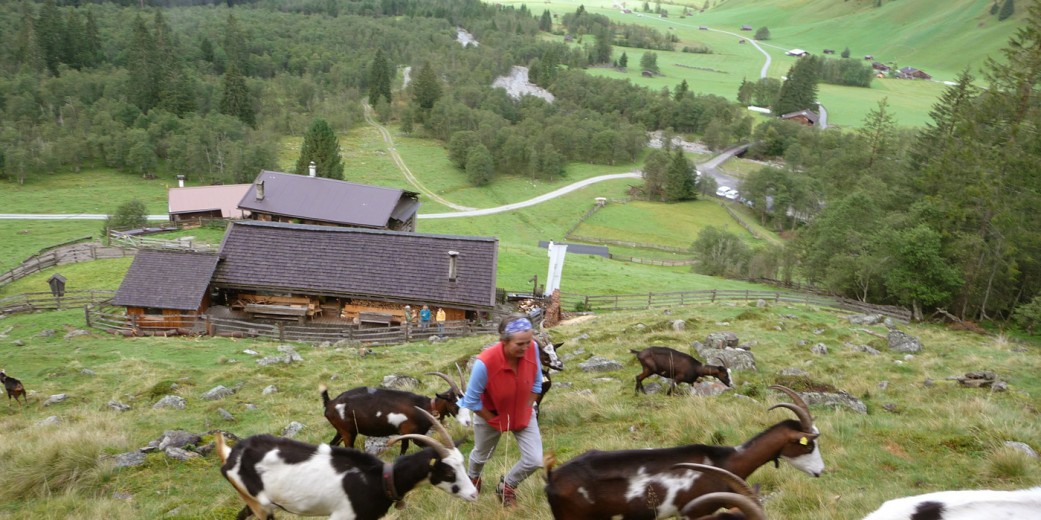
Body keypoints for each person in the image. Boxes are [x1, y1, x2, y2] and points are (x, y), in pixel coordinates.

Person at [456, 314, 543, 508]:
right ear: (503, 341)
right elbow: (471, 400)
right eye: (520, 344)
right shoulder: (485, 363)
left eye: (528, 342)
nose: (526, 348)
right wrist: (493, 420)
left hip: (523, 410)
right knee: (482, 454)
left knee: (535, 459)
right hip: (490, 413)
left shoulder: (533, 348)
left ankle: (507, 486)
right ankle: (474, 478)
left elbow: (537, 384)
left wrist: (528, 408)